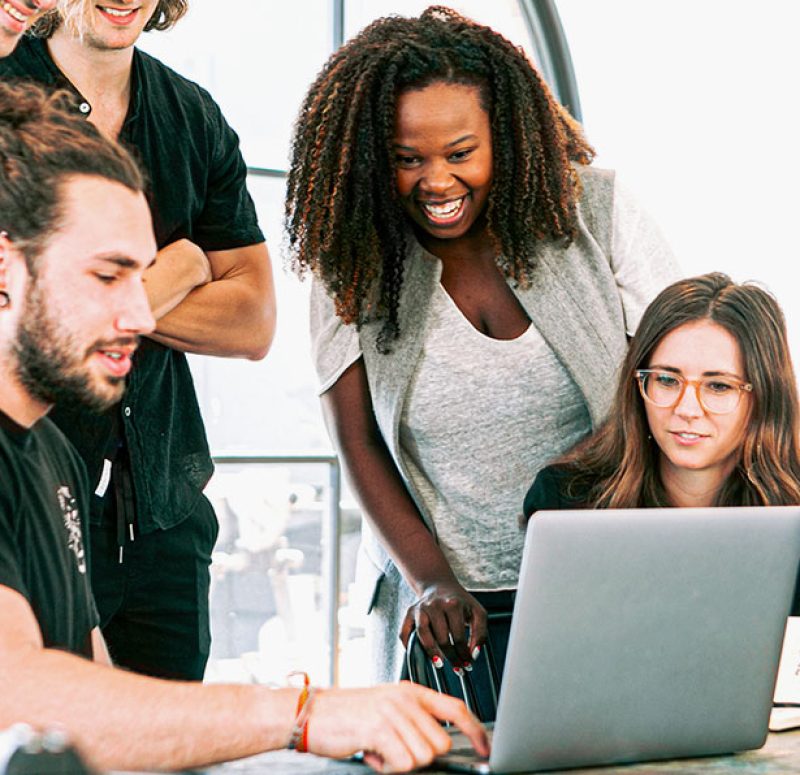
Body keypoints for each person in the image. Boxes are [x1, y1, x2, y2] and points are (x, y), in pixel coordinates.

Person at [0, 79, 488, 775]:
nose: (142, 315)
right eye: (108, 277)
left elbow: (97, 691)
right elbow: (20, 698)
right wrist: (303, 715)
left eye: (142, 277)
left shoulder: (47, 453)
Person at [286, 5, 680, 684]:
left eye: (461, 153)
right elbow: (357, 441)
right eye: (408, 159)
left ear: (507, 136)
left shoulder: (599, 212)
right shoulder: (351, 257)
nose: (437, 181)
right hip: (446, 610)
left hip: (604, 578)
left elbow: (674, 385)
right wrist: (432, 581)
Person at [0, 0, 277, 680]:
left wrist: (89, 296)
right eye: (108, 273)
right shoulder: (10, 101)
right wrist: (181, 267)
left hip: (163, 512)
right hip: (37, 491)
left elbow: (253, 321)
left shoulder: (193, 116)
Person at [524, 272, 800, 526]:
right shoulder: (562, 501)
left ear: (765, 396)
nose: (687, 409)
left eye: (718, 386)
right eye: (667, 380)